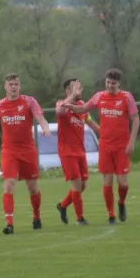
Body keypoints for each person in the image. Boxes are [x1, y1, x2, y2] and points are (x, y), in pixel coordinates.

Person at [63, 69, 140, 224]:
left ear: (119, 83)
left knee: (123, 183)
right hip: (105, 145)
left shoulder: (126, 97)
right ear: (105, 81)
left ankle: (121, 203)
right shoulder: (99, 96)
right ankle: (111, 214)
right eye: (108, 82)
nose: (110, 85)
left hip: (122, 145)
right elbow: (83, 108)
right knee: (107, 181)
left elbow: (136, 120)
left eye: (114, 83)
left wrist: (132, 142)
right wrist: (69, 105)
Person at [0, 73, 51, 234]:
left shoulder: (29, 101)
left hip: (28, 150)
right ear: (5, 86)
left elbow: (40, 117)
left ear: (20, 86)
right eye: (10, 84)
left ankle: (36, 216)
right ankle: (9, 223)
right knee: (9, 185)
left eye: (16, 84)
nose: (13, 87)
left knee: (32, 187)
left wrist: (45, 128)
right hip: (9, 151)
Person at [55, 79, 100, 226]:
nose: (80, 91)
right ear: (68, 91)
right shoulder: (61, 104)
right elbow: (59, 111)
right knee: (77, 185)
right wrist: (71, 97)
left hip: (80, 151)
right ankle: (80, 218)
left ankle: (62, 205)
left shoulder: (81, 106)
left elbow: (91, 123)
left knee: (83, 185)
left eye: (80, 88)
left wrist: (106, 133)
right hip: (67, 152)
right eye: (76, 88)